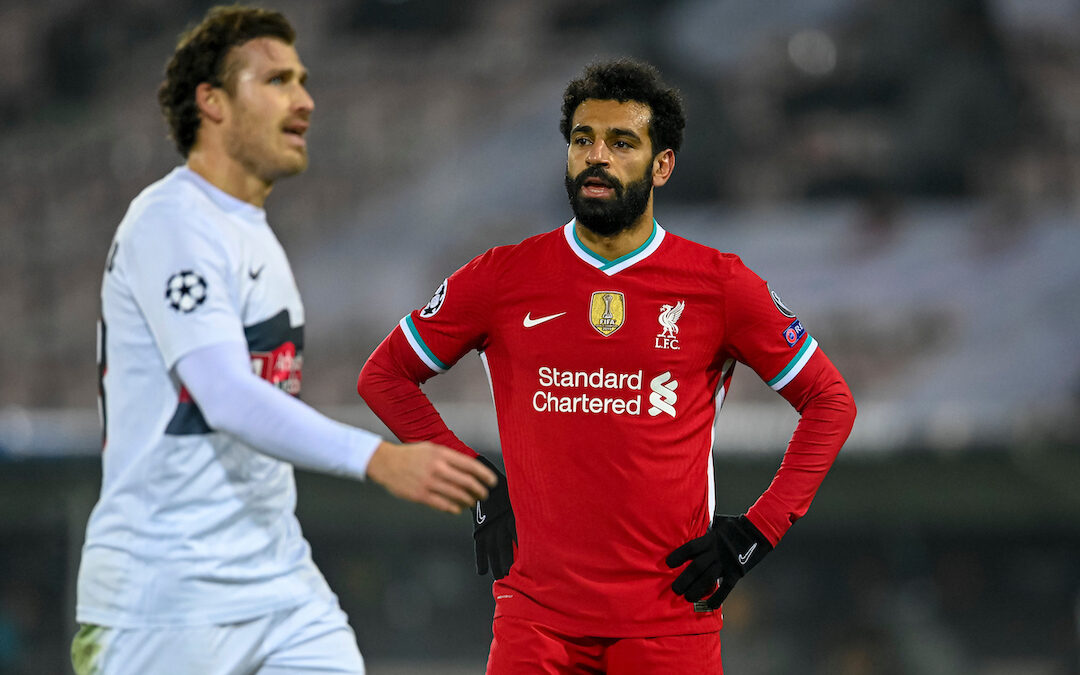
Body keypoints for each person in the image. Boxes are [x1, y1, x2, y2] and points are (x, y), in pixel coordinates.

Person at [358, 59, 857, 673]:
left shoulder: (720, 285)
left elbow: (831, 401)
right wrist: (475, 480)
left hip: (669, 622)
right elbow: (383, 376)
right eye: (582, 140)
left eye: (622, 143)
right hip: (535, 620)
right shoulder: (501, 277)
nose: (597, 156)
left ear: (663, 165)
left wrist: (758, 532)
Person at [71, 6, 496, 674]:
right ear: (210, 102)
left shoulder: (252, 233)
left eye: (302, 80)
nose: (305, 100)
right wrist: (378, 459)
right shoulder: (172, 221)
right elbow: (225, 397)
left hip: (276, 579)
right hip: (164, 593)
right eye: (276, 81)